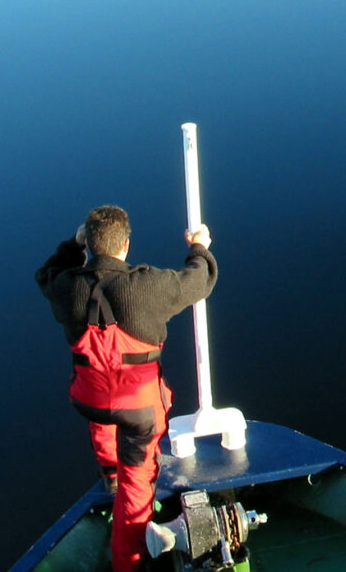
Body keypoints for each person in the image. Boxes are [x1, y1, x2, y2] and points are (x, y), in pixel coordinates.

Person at [35, 205, 218, 572]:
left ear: (89, 242)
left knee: (103, 419)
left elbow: (46, 274)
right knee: (138, 489)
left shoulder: (66, 287)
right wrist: (199, 248)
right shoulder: (147, 286)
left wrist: (72, 246)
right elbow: (199, 282)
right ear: (126, 244)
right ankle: (127, 563)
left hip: (88, 399)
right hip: (138, 412)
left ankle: (109, 474)